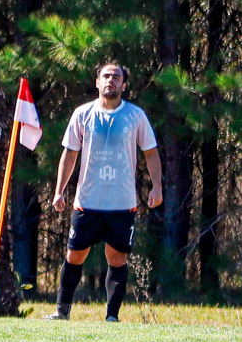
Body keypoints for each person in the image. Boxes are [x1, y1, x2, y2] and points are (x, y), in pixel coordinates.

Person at [48, 62, 161, 323]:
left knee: (117, 258)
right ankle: (62, 312)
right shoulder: (82, 114)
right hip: (87, 201)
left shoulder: (135, 116)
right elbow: (70, 154)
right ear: (97, 82)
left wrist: (157, 187)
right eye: (106, 76)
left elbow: (151, 152)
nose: (111, 80)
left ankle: (112, 316)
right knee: (74, 255)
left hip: (121, 203)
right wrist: (59, 191)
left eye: (116, 77)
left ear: (124, 84)